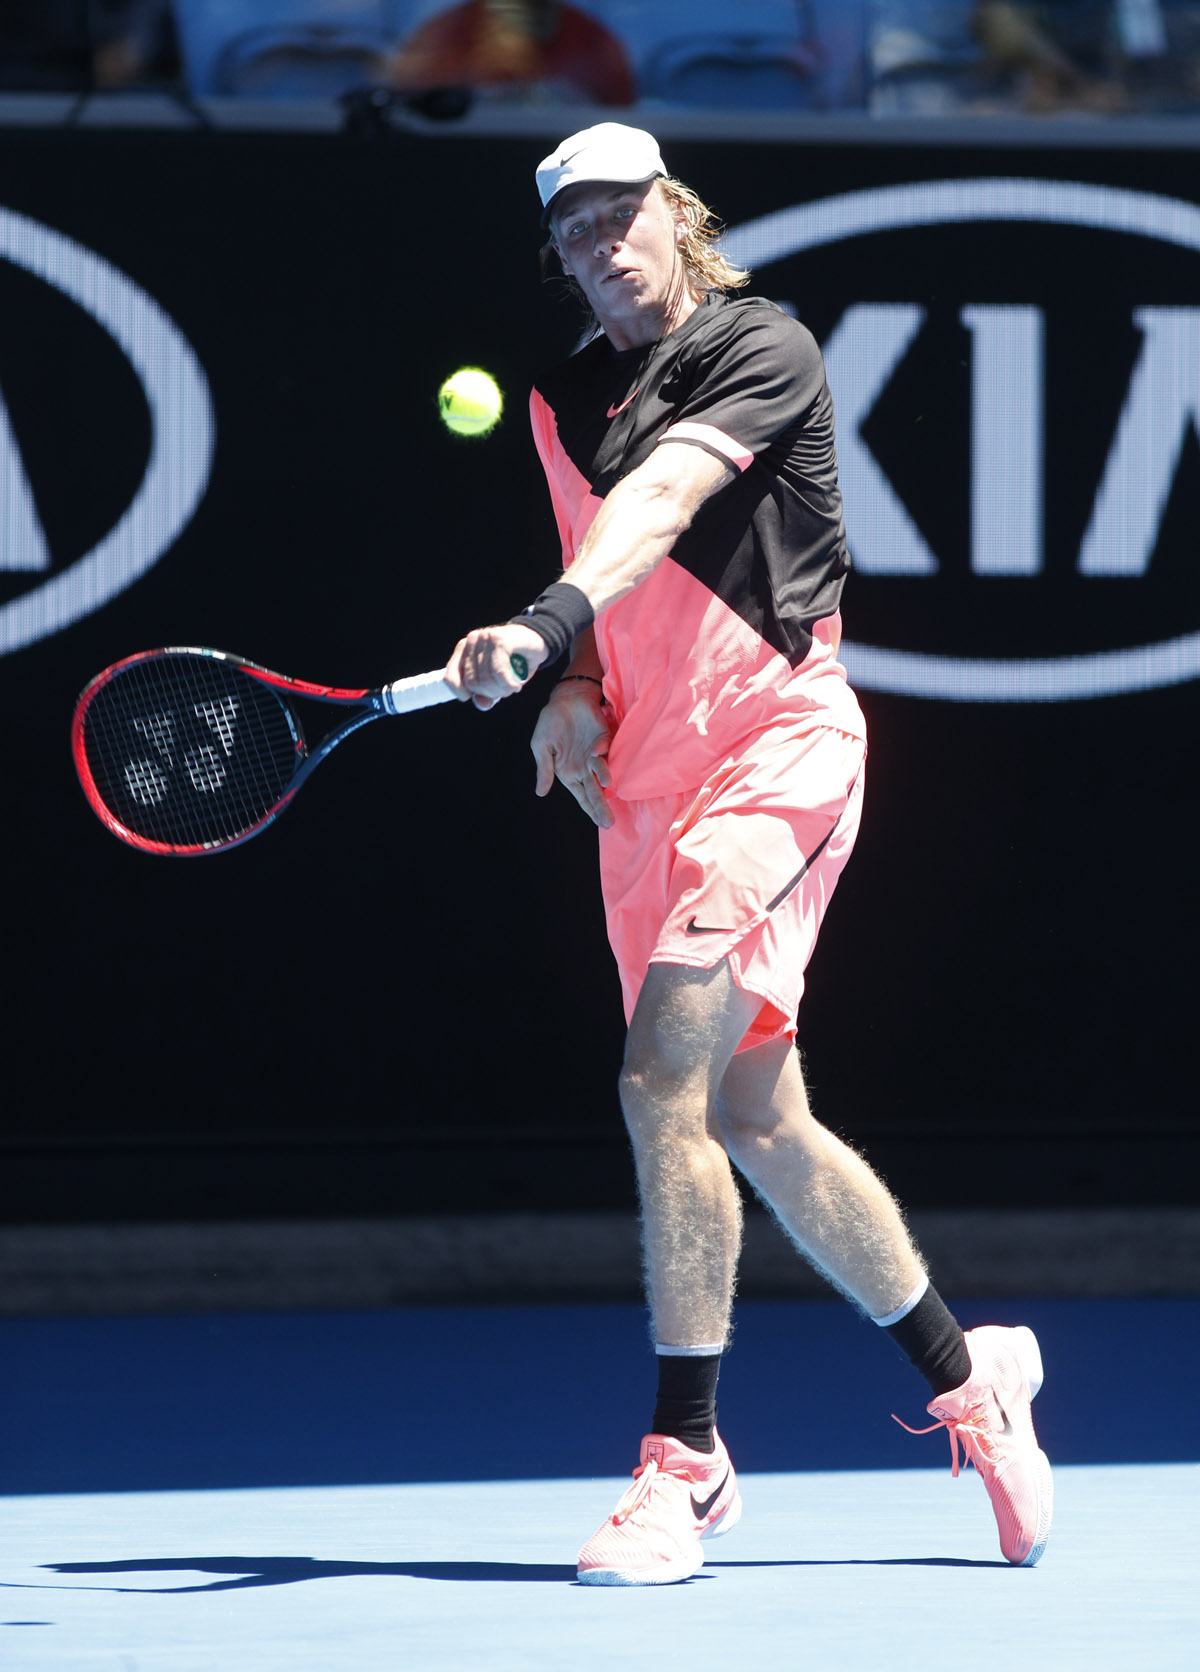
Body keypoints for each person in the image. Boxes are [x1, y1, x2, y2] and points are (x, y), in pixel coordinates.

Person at [443, 122, 1052, 1587]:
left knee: (660, 1076)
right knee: (760, 1117)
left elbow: (660, 505)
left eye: (622, 214)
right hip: (642, 795)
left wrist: (537, 625)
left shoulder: (757, 343)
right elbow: (602, 569)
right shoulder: (559, 400)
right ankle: (974, 1377)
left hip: (779, 748)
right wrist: (573, 689)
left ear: (678, 213)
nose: (602, 244)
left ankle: (685, 1462)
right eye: (574, 230)